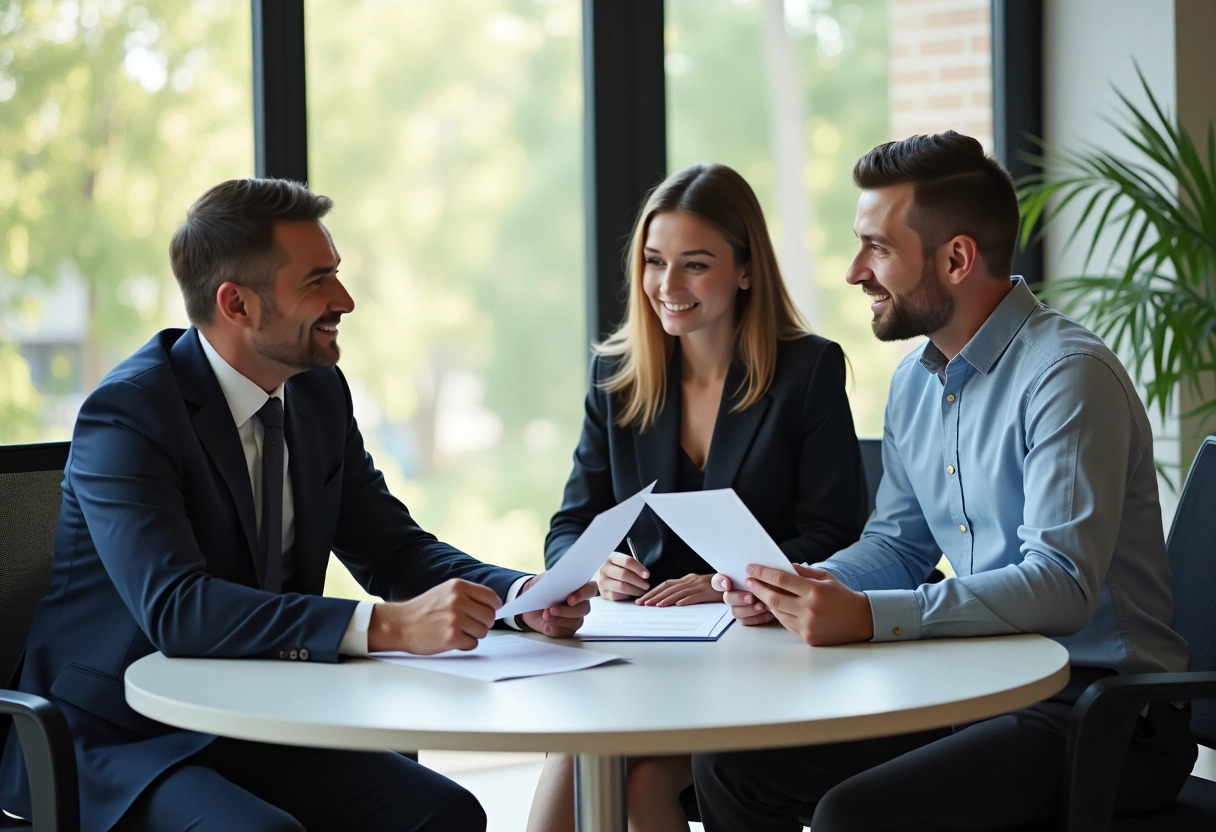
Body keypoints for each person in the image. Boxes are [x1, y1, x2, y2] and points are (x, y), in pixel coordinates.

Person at [0, 178, 596, 832]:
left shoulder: (317, 395)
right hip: (119, 738)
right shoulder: (130, 414)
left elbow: (392, 549)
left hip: (257, 718)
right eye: (318, 281)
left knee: (444, 813)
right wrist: (391, 626)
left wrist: (521, 596)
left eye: (337, 274)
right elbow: (178, 609)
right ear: (237, 304)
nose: (345, 299)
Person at [694, 131, 1198, 831]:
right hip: (982, 686)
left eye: (878, 248)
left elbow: (1060, 583)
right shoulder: (913, 383)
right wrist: (797, 584)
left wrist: (872, 618)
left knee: (854, 815)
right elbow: (898, 545)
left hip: (1104, 713)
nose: (853, 271)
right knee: (734, 768)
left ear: (957, 257)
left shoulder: (1068, 377)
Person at [526, 163, 868, 832]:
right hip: (651, 646)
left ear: (746, 271)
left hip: (760, 651)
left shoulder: (808, 371)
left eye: (695, 265)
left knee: (640, 780)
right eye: (655, 262)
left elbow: (837, 535)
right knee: (581, 746)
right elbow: (572, 520)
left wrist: (722, 583)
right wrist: (595, 566)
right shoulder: (618, 378)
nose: (667, 286)